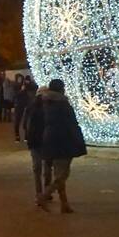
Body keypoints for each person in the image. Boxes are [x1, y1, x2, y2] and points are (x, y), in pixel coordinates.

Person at [35, 78, 86, 213]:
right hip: (64, 141)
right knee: (62, 174)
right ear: (61, 89)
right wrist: (79, 142)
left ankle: (64, 204)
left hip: (50, 140)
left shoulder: (45, 103)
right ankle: (44, 196)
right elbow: (72, 125)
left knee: (59, 172)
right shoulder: (63, 104)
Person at [21, 84, 54, 208]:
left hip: (35, 140)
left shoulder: (31, 107)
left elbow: (25, 124)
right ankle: (45, 192)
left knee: (38, 168)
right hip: (45, 140)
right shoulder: (49, 107)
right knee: (46, 168)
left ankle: (40, 193)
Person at [14, 77, 33, 142]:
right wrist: (21, 90)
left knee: (26, 122)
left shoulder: (30, 87)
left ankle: (26, 137)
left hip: (26, 106)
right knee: (17, 122)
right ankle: (17, 136)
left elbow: (31, 95)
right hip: (19, 106)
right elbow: (15, 95)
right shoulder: (17, 86)